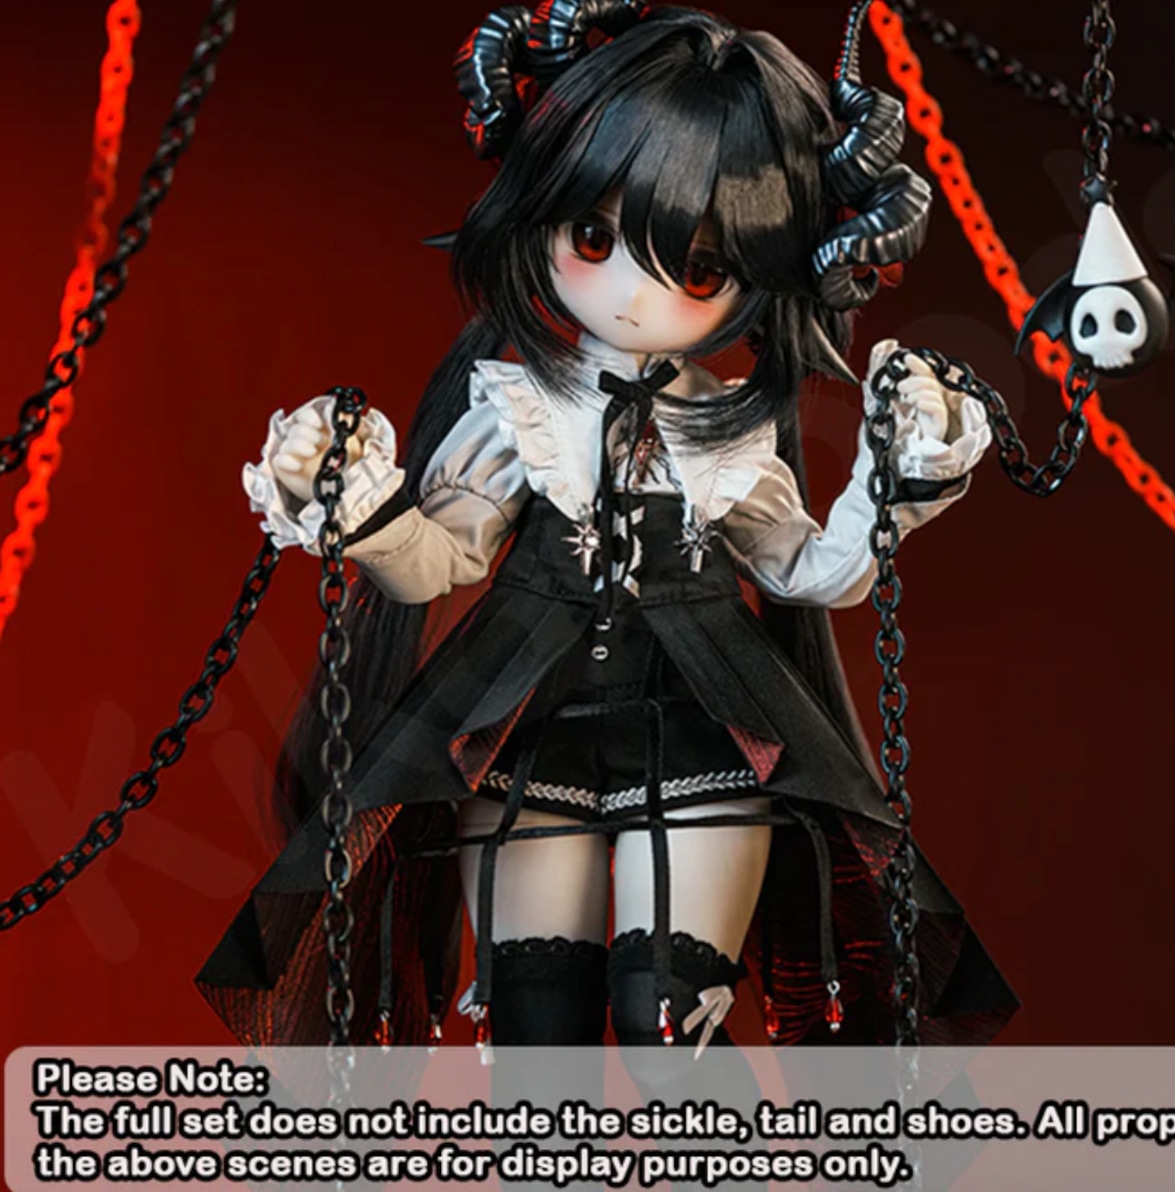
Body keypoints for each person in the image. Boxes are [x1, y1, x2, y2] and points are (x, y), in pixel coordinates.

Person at [197, 0, 1018, 1052]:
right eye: (595, 237)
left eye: (699, 269)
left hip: (706, 735)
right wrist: (354, 507)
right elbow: (436, 561)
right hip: (524, 735)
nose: (634, 294)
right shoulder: (516, 411)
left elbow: (815, 573)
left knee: (667, 1019)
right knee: (536, 1043)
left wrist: (895, 480)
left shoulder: (727, 428)